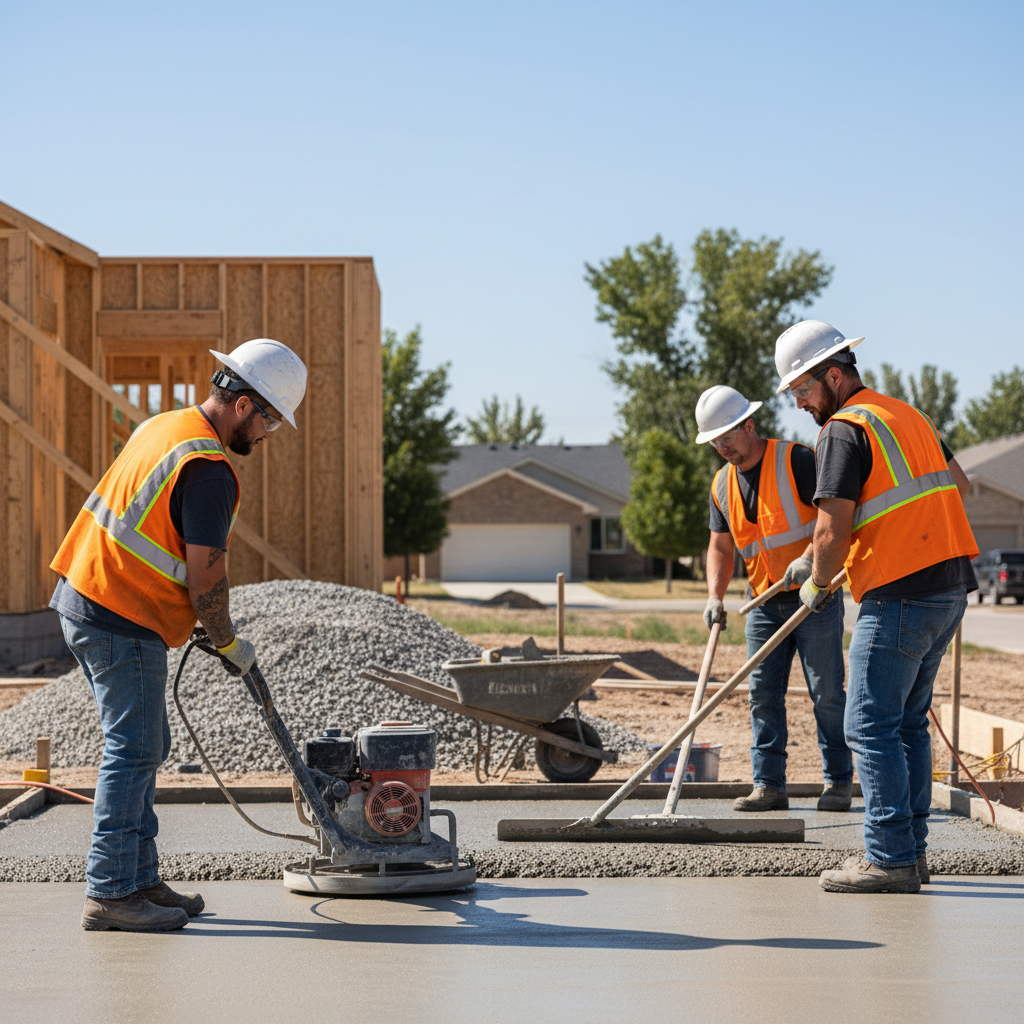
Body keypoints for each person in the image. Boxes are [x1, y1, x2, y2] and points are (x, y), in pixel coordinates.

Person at [50, 338, 307, 931]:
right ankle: (112, 892)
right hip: (120, 613)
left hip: (88, 597)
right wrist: (226, 640)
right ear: (246, 406)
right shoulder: (209, 470)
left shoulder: (166, 427)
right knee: (133, 749)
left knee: (145, 745)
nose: (268, 435)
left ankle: (139, 879)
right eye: (270, 420)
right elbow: (206, 573)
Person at [774, 320, 977, 894]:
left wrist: (817, 577)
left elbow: (833, 525)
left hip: (900, 596)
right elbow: (953, 485)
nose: (803, 406)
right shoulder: (905, 415)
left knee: (866, 723)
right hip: (948, 586)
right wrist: (841, 557)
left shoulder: (843, 429)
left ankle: (888, 858)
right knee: (906, 724)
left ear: (833, 376)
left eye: (805, 392)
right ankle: (911, 854)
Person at [696, 385, 852, 813]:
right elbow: (721, 548)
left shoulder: (798, 460)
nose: (722, 447)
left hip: (814, 596)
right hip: (762, 603)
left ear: (749, 424)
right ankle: (769, 786)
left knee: (827, 695)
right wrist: (715, 597)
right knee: (762, 696)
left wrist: (809, 561)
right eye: (715, 441)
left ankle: (838, 782)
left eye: (728, 436)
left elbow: (835, 514)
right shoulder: (721, 485)